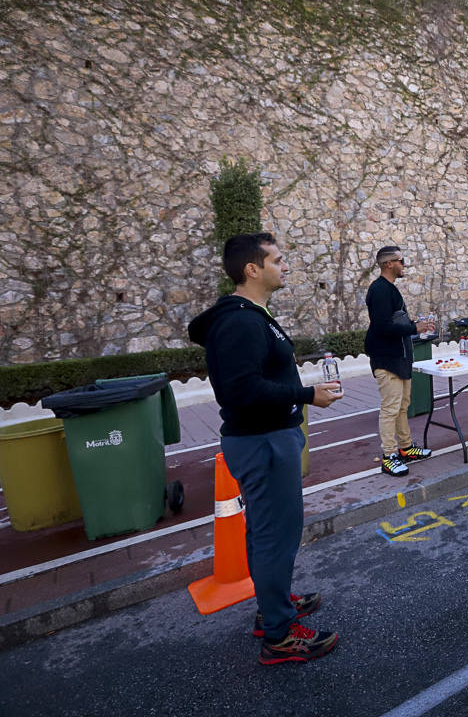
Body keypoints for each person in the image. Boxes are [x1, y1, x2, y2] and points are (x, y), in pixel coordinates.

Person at [188, 232, 343, 665]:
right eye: (277, 259)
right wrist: (308, 394)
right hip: (263, 442)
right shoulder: (241, 321)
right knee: (276, 537)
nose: (285, 265)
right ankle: (278, 635)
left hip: (266, 438)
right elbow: (242, 391)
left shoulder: (253, 315)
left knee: (264, 533)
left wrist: (300, 393)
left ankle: (273, 606)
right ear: (252, 269)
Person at [365, 245, 435, 477]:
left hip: (400, 358)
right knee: (390, 409)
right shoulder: (380, 290)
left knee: (403, 406)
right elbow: (383, 326)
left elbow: (394, 320)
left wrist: (411, 324)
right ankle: (388, 456)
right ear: (388, 264)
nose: (404, 265)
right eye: (401, 261)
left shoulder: (390, 289)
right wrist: (414, 327)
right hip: (387, 359)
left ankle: (406, 448)